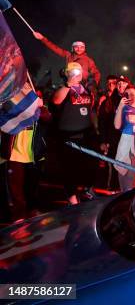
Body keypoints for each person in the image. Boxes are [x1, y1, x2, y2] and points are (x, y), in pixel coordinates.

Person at [50, 62, 98, 204]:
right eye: (74, 71)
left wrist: (96, 131)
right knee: (70, 169)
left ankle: (87, 190)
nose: (77, 74)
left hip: (87, 135)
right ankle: (71, 196)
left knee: (90, 165)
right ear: (67, 74)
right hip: (68, 136)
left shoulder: (86, 90)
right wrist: (68, 85)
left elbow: (91, 110)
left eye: (79, 71)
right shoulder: (64, 88)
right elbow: (56, 100)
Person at [32, 32, 101, 87]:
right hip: (69, 83)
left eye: (81, 47)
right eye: (76, 47)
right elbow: (55, 49)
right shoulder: (68, 55)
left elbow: (96, 73)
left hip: (82, 84)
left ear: (84, 49)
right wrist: (42, 38)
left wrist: (94, 84)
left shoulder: (88, 60)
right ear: (73, 48)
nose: (79, 49)